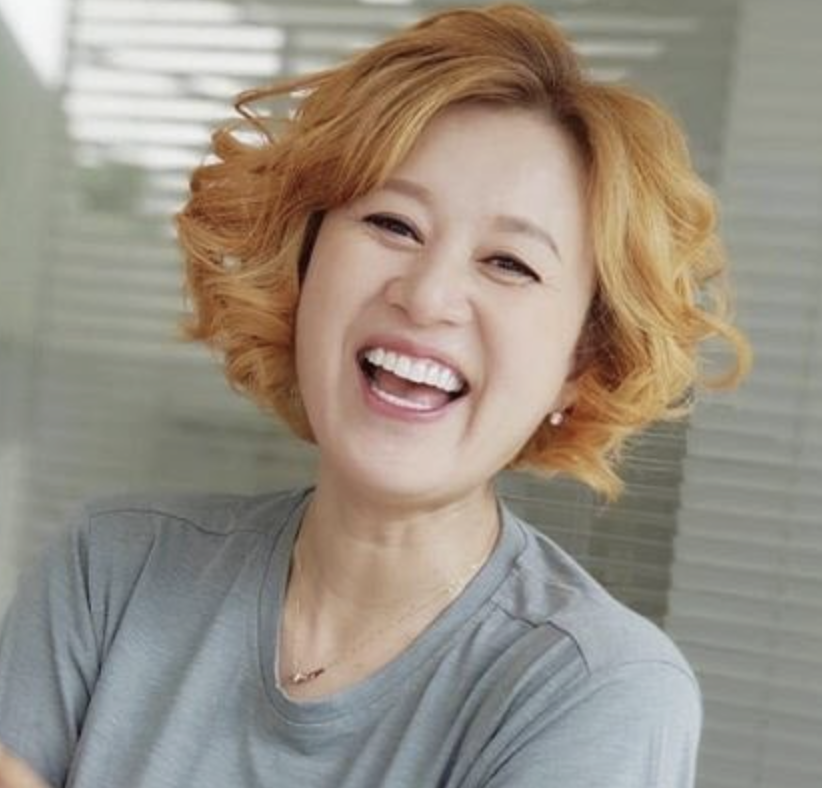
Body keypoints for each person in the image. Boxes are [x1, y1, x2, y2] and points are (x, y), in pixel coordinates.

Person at [0, 3, 750, 787]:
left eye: (509, 263)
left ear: (580, 362)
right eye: (394, 224)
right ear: (304, 265)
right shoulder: (113, 570)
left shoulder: (596, 689)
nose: (427, 296)